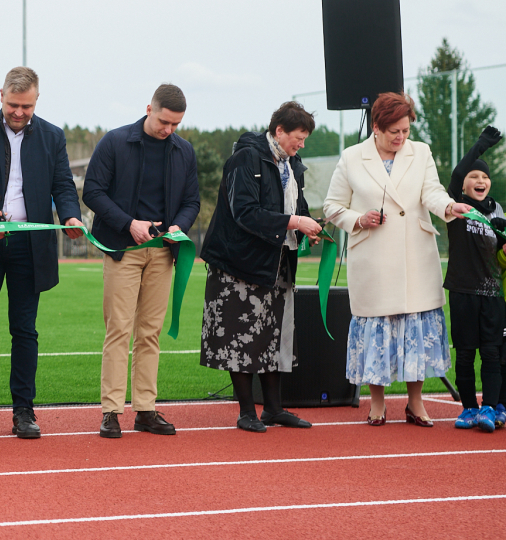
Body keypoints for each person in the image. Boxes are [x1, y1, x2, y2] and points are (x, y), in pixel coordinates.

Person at [0, 67, 84, 439]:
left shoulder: (54, 136)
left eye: (26, 106)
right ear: (1, 96)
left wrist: (70, 214)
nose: (19, 112)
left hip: (31, 246)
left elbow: (63, 184)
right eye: (13, 104)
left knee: (25, 331)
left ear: (37, 100)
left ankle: (24, 411)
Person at [323, 92, 469, 426]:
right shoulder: (351, 156)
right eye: (394, 132)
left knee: (415, 329)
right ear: (376, 126)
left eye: (405, 130)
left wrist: (449, 206)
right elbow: (332, 206)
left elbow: (430, 193)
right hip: (373, 258)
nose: (401, 138)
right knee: (377, 329)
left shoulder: (422, 152)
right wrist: (359, 219)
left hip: (415, 255)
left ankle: (415, 403)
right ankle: (376, 403)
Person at [83, 83, 199, 439]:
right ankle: (111, 411)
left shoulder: (184, 151)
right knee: (119, 329)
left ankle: (145, 409)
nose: (168, 130)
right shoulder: (115, 142)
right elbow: (93, 192)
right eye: (164, 121)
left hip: (164, 252)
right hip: (123, 249)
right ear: (149, 108)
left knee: (150, 333)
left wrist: (179, 226)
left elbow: (192, 200)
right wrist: (128, 224)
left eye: (176, 125)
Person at [199, 102, 321, 432]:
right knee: (241, 336)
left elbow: (299, 205)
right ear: (279, 131)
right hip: (238, 262)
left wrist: (312, 225)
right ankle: (245, 412)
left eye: (305, 138)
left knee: (275, 335)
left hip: (277, 261)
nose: (302, 144)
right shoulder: (246, 158)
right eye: (299, 136)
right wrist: (295, 221)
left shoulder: (293, 164)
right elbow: (244, 211)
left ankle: (274, 409)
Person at [444, 126, 505, 432]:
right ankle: (469, 408)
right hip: (462, 291)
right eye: (474, 177)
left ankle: (491, 407)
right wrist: (480, 146)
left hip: (493, 294)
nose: (480, 181)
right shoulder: (457, 207)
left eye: (484, 177)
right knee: (466, 353)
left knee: (492, 352)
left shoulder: (498, 213)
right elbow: (456, 174)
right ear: (464, 185)